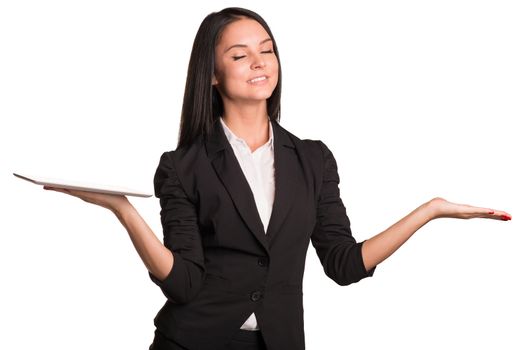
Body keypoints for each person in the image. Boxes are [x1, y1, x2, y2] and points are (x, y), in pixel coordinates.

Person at [43, 7, 512, 350]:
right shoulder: (181, 165)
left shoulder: (313, 160)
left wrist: (429, 210)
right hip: (192, 342)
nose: (259, 62)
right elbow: (183, 283)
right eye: (241, 55)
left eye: (266, 51)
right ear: (211, 73)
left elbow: (344, 265)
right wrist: (123, 211)